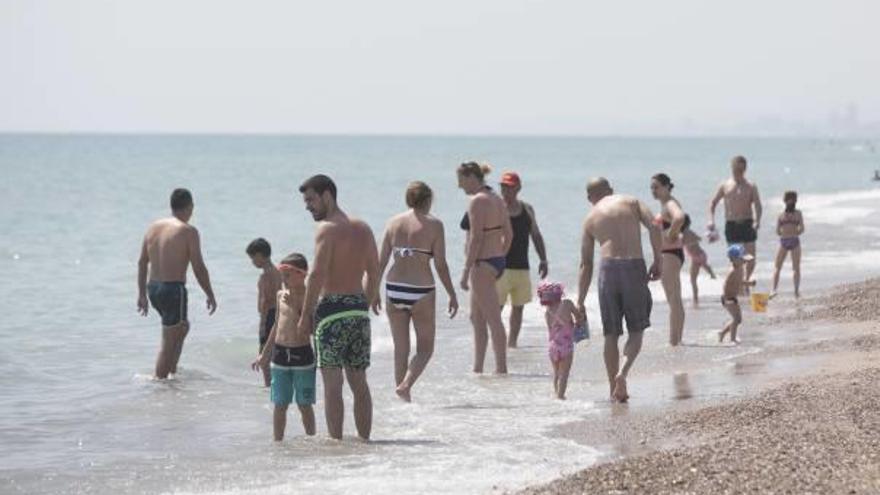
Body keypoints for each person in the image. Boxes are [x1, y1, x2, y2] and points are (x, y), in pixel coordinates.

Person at [297, 174, 380, 441]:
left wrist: (305, 314)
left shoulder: (326, 229)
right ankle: (365, 441)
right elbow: (375, 272)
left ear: (327, 196)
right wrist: (363, 304)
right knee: (359, 382)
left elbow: (317, 274)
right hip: (358, 309)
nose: (308, 206)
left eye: (311, 199)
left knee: (333, 385)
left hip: (331, 312)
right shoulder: (364, 228)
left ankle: (337, 447)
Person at [577, 178, 661, 403]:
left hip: (607, 270)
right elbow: (654, 225)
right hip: (633, 265)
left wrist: (580, 301)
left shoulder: (590, 217)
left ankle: (612, 389)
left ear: (589, 199)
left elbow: (585, 264)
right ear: (611, 191)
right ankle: (622, 373)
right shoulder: (631, 201)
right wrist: (658, 260)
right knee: (636, 330)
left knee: (610, 334)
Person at [377, 181, 459, 402]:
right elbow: (440, 264)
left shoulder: (393, 222)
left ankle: (402, 404)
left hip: (393, 289)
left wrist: (373, 291)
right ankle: (406, 385)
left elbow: (381, 261)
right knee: (425, 348)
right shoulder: (435, 225)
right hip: (421, 289)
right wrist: (451, 293)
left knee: (400, 349)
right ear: (428, 200)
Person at [137, 188, 217, 379]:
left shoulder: (153, 227)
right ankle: (161, 384)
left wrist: (141, 294)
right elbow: (198, 267)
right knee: (168, 341)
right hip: (173, 290)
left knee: (182, 327)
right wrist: (210, 294)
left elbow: (142, 262)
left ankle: (172, 370)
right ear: (190, 207)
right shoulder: (188, 231)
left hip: (153, 288)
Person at [252, 253, 316, 441]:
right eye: (282, 276)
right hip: (279, 355)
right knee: (280, 404)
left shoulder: (309, 297)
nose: (284, 280)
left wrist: (297, 308)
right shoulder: (280, 295)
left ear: (302, 274)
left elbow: (312, 329)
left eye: (288, 275)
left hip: (302, 355)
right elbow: (276, 325)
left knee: (304, 404)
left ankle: (311, 440)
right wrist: (264, 354)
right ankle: (277, 443)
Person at [458, 162, 513, 374]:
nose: (460, 186)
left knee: (493, 319)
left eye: (461, 180)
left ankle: (501, 370)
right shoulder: (497, 199)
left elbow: (476, 238)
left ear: (472, 177)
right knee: (476, 317)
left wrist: (465, 270)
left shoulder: (477, 201)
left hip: (482, 264)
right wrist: (501, 257)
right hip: (495, 261)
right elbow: (509, 234)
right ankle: (478, 368)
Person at [497, 171, 549, 348]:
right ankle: (495, 344)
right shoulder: (496, 208)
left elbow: (536, 235)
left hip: (522, 267)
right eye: (503, 187)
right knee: (496, 308)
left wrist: (543, 260)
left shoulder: (527, 209)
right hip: (500, 267)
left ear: (518, 187)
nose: (506, 190)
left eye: (510, 187)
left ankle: (512, 344)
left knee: (518, 308)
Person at [708, 155, 763, 286]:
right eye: (736, 169)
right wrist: (711, 220)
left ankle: (745, 280)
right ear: (732, 168)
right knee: (736, 259)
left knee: (750, 259)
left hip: (747, 224)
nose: (739, 172)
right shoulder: (725, 185)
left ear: (745, 169)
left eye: (741, 169)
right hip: (732, 225)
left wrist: (757, 221)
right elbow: (713, 203)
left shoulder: (751, 186)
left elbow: (758, 205)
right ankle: (739, 284)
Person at [650, 173, 687, 346]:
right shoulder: (666, 205)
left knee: (673, 299)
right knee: (675, 298)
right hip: (672, 253)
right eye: (652, 187)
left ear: (666, 187)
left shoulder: (670, 203)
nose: (653, 190)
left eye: (656, 187)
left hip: (670, 253)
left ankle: (674, 342)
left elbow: (680, 217)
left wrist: (671, 234)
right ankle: (677, 339)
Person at [246, 238, 282, 387]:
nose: (252, 262)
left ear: (260, 255)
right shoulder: (278, 271)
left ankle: (269, 387)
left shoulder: (266, 276)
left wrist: (262, 323)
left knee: (264, 359)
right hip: (279, 314)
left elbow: (266, 301)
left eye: (253, 258)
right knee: (275, 354)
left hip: (269, 316)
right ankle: (276, 386)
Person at [538, 281, 577, 400]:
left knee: (556, 373)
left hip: (553, 347)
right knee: (564, 374)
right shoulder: (567, 304)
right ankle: (561, 396)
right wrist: (576, 322)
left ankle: (556, 394)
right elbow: (578, 316)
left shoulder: (547, 313)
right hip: (566, 345)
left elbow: (551, 330)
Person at [771, 191, 805, 298]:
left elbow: (778, 231)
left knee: (792, 267)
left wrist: (788, 233)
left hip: (790, 240)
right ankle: (776, 289)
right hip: (789, 240)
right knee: (780, 266)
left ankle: (793, 289)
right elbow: (777, 231)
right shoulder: (789, 214)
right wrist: (793, 232)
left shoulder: (785, 215)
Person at [719, 244, 753, 344]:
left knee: (738, 320)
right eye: (741, 258)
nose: (744, 260)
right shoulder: (733, 271)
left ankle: (722, 333)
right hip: (728, 298)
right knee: (736, 319)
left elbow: (739, 282)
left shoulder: (740, 268)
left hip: (732, 298)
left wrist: (749, 283)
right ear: (733, 260)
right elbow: (728, 285)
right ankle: (732, 339)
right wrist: (728, 299)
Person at [681, 215, 716, 306]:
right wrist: (694, 241)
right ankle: (711, 272)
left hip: (696, 257)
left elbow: (680, 244)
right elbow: (699, 238)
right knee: (701, 268)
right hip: (700, 255)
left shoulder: (684, 234)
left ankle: (695, 299)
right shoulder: (690, 232)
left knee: (693, 280)